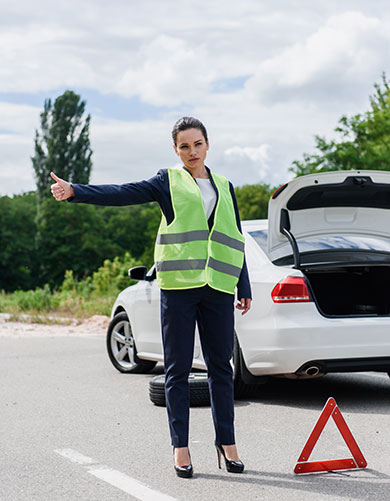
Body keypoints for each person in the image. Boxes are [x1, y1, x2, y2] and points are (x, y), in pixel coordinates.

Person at [50, 116, 252, 478]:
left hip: (218, 287)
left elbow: (234, 237)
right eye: (184, 146)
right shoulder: (167, 181)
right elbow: (123, 193)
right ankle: (181, 447)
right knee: (176, 369)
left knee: (221, 368)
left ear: (208, 144)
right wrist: (76, 190)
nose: (192, 151)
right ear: (176, 149)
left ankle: (227, 443)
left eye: (197, 144)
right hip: (178, 288)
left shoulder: (225, 185)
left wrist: (244, 286)